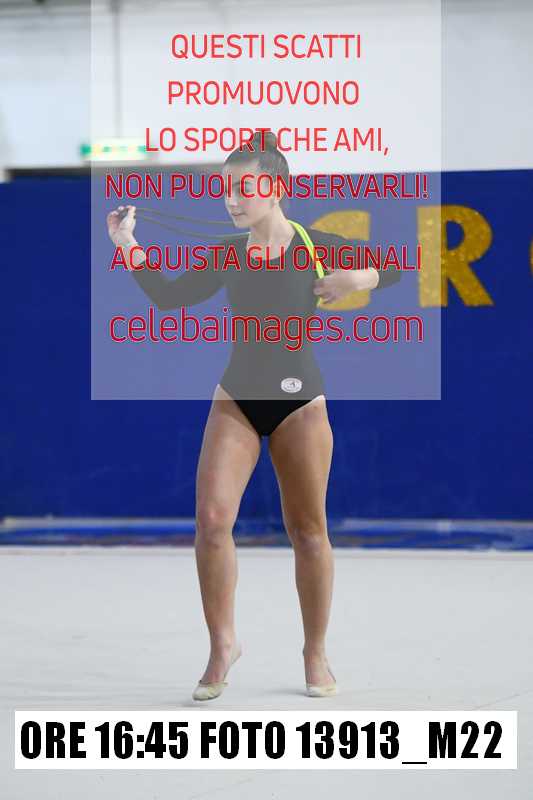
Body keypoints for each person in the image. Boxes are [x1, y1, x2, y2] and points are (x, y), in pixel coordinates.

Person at [106, 132, 401, 700]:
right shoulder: (227, 252)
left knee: (308, 531)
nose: (232, 199)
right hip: (237, 396)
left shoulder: (316, 244)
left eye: (244, 187)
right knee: (212, 519)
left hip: (300, 401)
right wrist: (127, 243)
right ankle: (223, 645)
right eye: (226, 189)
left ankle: (315, 651)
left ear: (276, 188)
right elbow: (168, 297)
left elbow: (392, 267)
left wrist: (357, 278)